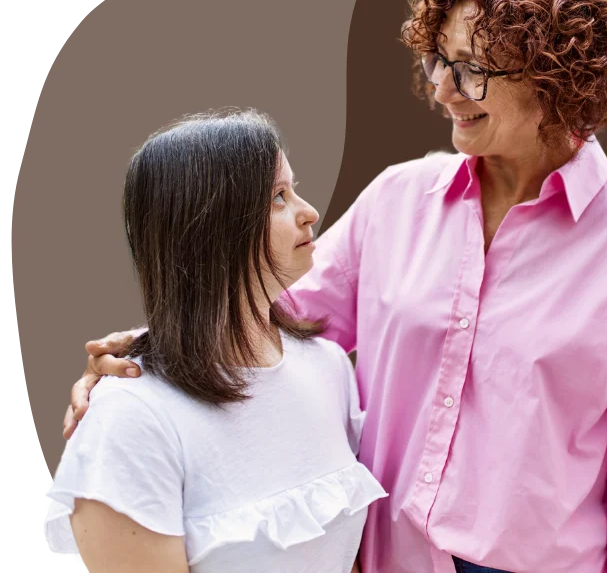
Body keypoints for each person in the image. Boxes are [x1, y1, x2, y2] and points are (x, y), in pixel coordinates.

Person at [62, 0, 607, 572]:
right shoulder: (398, 201)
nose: (442, 89)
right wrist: (146, 359)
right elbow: (267, 309)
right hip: (390, 561)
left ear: (553, 77)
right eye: (439, 61)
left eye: (471, 71)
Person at [44, 110, 388, 572]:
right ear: (214, 227)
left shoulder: (327, 367)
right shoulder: (131, 416)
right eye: (279, 198)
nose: (310, 212)